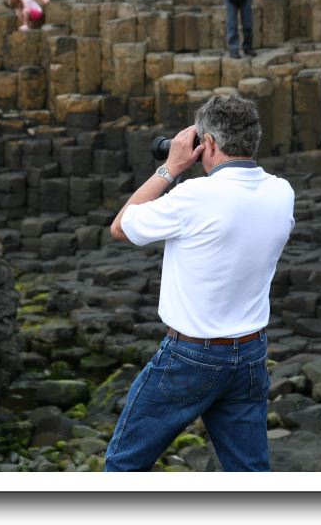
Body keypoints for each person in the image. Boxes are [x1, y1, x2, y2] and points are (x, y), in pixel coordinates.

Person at [105, 95, 295, 472]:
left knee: (123, 468)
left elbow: (121, 226)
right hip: (250, 355)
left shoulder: (194, 196)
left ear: (206, 144)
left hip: (190, 358)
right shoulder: (282, 192)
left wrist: (169, 169)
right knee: (250, 474)